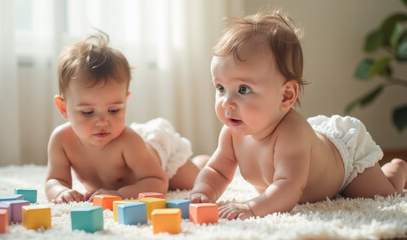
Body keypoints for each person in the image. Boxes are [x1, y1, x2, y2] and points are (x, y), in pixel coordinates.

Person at [189, 11, 407, 220]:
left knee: (381, 193)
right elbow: (216, 170)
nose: (226, 101)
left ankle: (395, 171)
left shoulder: (292, 133)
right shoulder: (231, 133)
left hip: (345, 164)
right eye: (220, 88)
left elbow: (289, 186)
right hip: (318, 147)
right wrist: (203, 192)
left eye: (243, 89)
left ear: (286, 95)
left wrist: (252, 207)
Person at [46, 31, 208, 204]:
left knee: (196, 181)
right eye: (88, 112)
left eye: (114, 110)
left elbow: (159, 182)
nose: (102, 122)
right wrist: (60, 191)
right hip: (141, 162)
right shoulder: (61, 140)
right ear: (63, 108)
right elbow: (54, 180)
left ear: (125, 102)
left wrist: (120, 195)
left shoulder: (128, 141)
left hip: (160, 160)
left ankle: (203, 162)